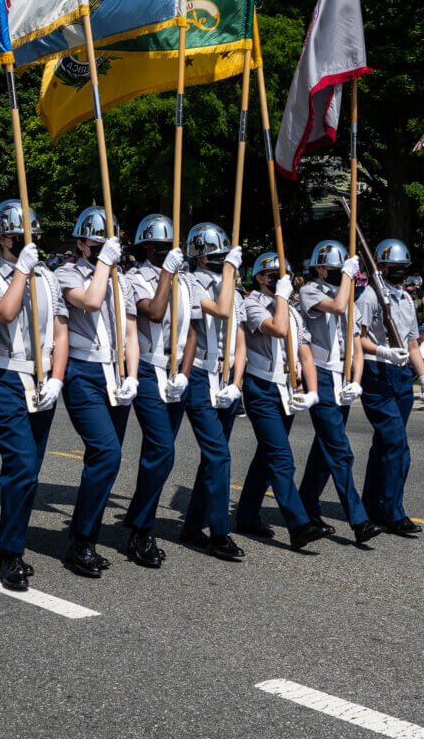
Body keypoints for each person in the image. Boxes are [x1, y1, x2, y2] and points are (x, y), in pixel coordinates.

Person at [0, 200, 67, 590]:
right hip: (6, 378)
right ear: (1, 238)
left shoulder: (48, 277)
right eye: (18, 235)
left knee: (30, 472)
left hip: (43, 381)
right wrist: (20, 269)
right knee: (21, 465)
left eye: (32, 235)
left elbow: (61, 333)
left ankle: (7, 544)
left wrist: (58, 378)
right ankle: (11, 552)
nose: (27, 242)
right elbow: (6, 312)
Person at [55, 206, 139, 578]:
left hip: (116, 374)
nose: (104, 245)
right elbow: (89, 300)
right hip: (83, 372)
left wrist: (132, 375)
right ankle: (81, 539)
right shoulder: (67, 271)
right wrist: (104, 263)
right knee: (107, 453)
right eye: (96, 239)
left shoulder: (125, 280)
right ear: (81, 242)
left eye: (109, 240)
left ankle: (87, 536)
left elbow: (132, 333)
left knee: (105, 459)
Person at [234, 252, 328, 550]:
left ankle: (247, 514)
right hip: (260, 387)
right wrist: (283, 300)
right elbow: (277, 328)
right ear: (260, 277)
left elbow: (303, 349)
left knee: (267, 455)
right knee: (281, 458)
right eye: (274, 274)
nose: (280, 279)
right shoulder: (252, 303)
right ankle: (299, 525)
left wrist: (311, 391)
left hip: (285, 389)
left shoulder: (293, 308)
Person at [297, 240, 380, 545]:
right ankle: (359, 520)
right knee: (340, 451)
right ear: (319, 268)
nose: (334, 273)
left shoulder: (349, 295)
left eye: (339, 268)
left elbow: (357, 344)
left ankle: (306, 504)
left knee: (325, 449)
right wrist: (346, 276)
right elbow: (337, 307)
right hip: (319, 373)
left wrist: (356, 381)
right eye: (330, 268)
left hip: (342, 377)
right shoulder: (311, 290)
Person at [352, 240, 424, 536]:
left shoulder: (407, 300)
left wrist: (422, 377)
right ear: (382, 267)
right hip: (376, 372)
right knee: (398, 446)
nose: (399, 271)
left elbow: (412, 343)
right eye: (394, 267)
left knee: (384, 445)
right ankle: (393, 512)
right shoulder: (370, 297)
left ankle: (373, 503)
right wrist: (382, 352)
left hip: (400, 377)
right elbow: (356, 338)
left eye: (403, 267)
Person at [123, 214, 191, 569]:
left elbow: (192, 329)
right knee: (162, 450)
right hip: (149, 367)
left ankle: (137, 516)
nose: (163, 252)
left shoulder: (184, 279)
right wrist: (167, 273)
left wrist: (185, 372)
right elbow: (154, 311)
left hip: (175, 371)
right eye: (158, 247)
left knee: (159, 453)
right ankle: (142, 530)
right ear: (146, 248)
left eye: (168, 247)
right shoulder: (136, 279)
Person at [176, 223, 247, 560]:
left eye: (226, 255)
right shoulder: (190, 282)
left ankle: (192, 525)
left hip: (227, 375)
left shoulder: (230, 283)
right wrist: (230, 271)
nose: (222, 260)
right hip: (202, 375)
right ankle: (219, 533)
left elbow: (239, 336)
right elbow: (219, 309)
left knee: (213, 458)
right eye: (217, 255)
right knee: (219, 454)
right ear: (201, 257)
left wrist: (236, 383)